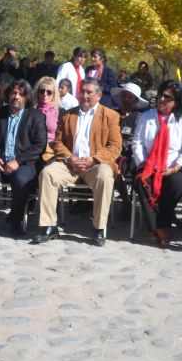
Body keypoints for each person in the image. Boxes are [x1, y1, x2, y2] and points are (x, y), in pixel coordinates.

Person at [32, 77, 122, 246]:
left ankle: (99, 228)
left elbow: (115, 146)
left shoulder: (111, 116)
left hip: (95, 164)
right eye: (82, 91)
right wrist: (69, 158)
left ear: (99, 95)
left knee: (105, 176)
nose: (85, 95)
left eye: (89, 92)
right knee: (47, 173)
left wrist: (93, 159)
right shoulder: (68, 114)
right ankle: (48, 226)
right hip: (70, 164)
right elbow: (57, 142)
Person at [0, 79, 46, 236]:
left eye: (21, 94)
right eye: (14, 92)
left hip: (23, 164)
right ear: (8, 94)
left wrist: (18, 161)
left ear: (27, 97)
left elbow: (39, 145)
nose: (16, 96)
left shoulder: (36, 116)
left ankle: (16, 219)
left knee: (21, 180)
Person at [132, 80, 182, 246]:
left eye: (168, 97)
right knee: (142, 181)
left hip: (175, 167)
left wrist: (175, 168)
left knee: (176, 183)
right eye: (161, 95)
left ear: (177, 101)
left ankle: (158, 224)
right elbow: (137, 143)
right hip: (149, 165)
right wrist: (145, 163)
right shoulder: (146, 116)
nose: (162, 99)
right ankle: (159, 227)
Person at [110, 82, 149, 218]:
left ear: (136, 101)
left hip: (129, 155)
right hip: (110, 152)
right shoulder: (113, 114)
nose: (126, 99)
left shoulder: (139, 117)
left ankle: (126, 201)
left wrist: (119, 145)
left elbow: (136, 140)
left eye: (130, 97)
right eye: (124, 96)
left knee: (119, 168)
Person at [33, 76, 61, 150]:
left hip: (51, 150)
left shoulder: (60, 112)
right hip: (33, 149)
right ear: (37, 92)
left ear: (54, 94)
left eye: (49, 92)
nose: (45, 94)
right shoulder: (32, 110)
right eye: (42, 91)